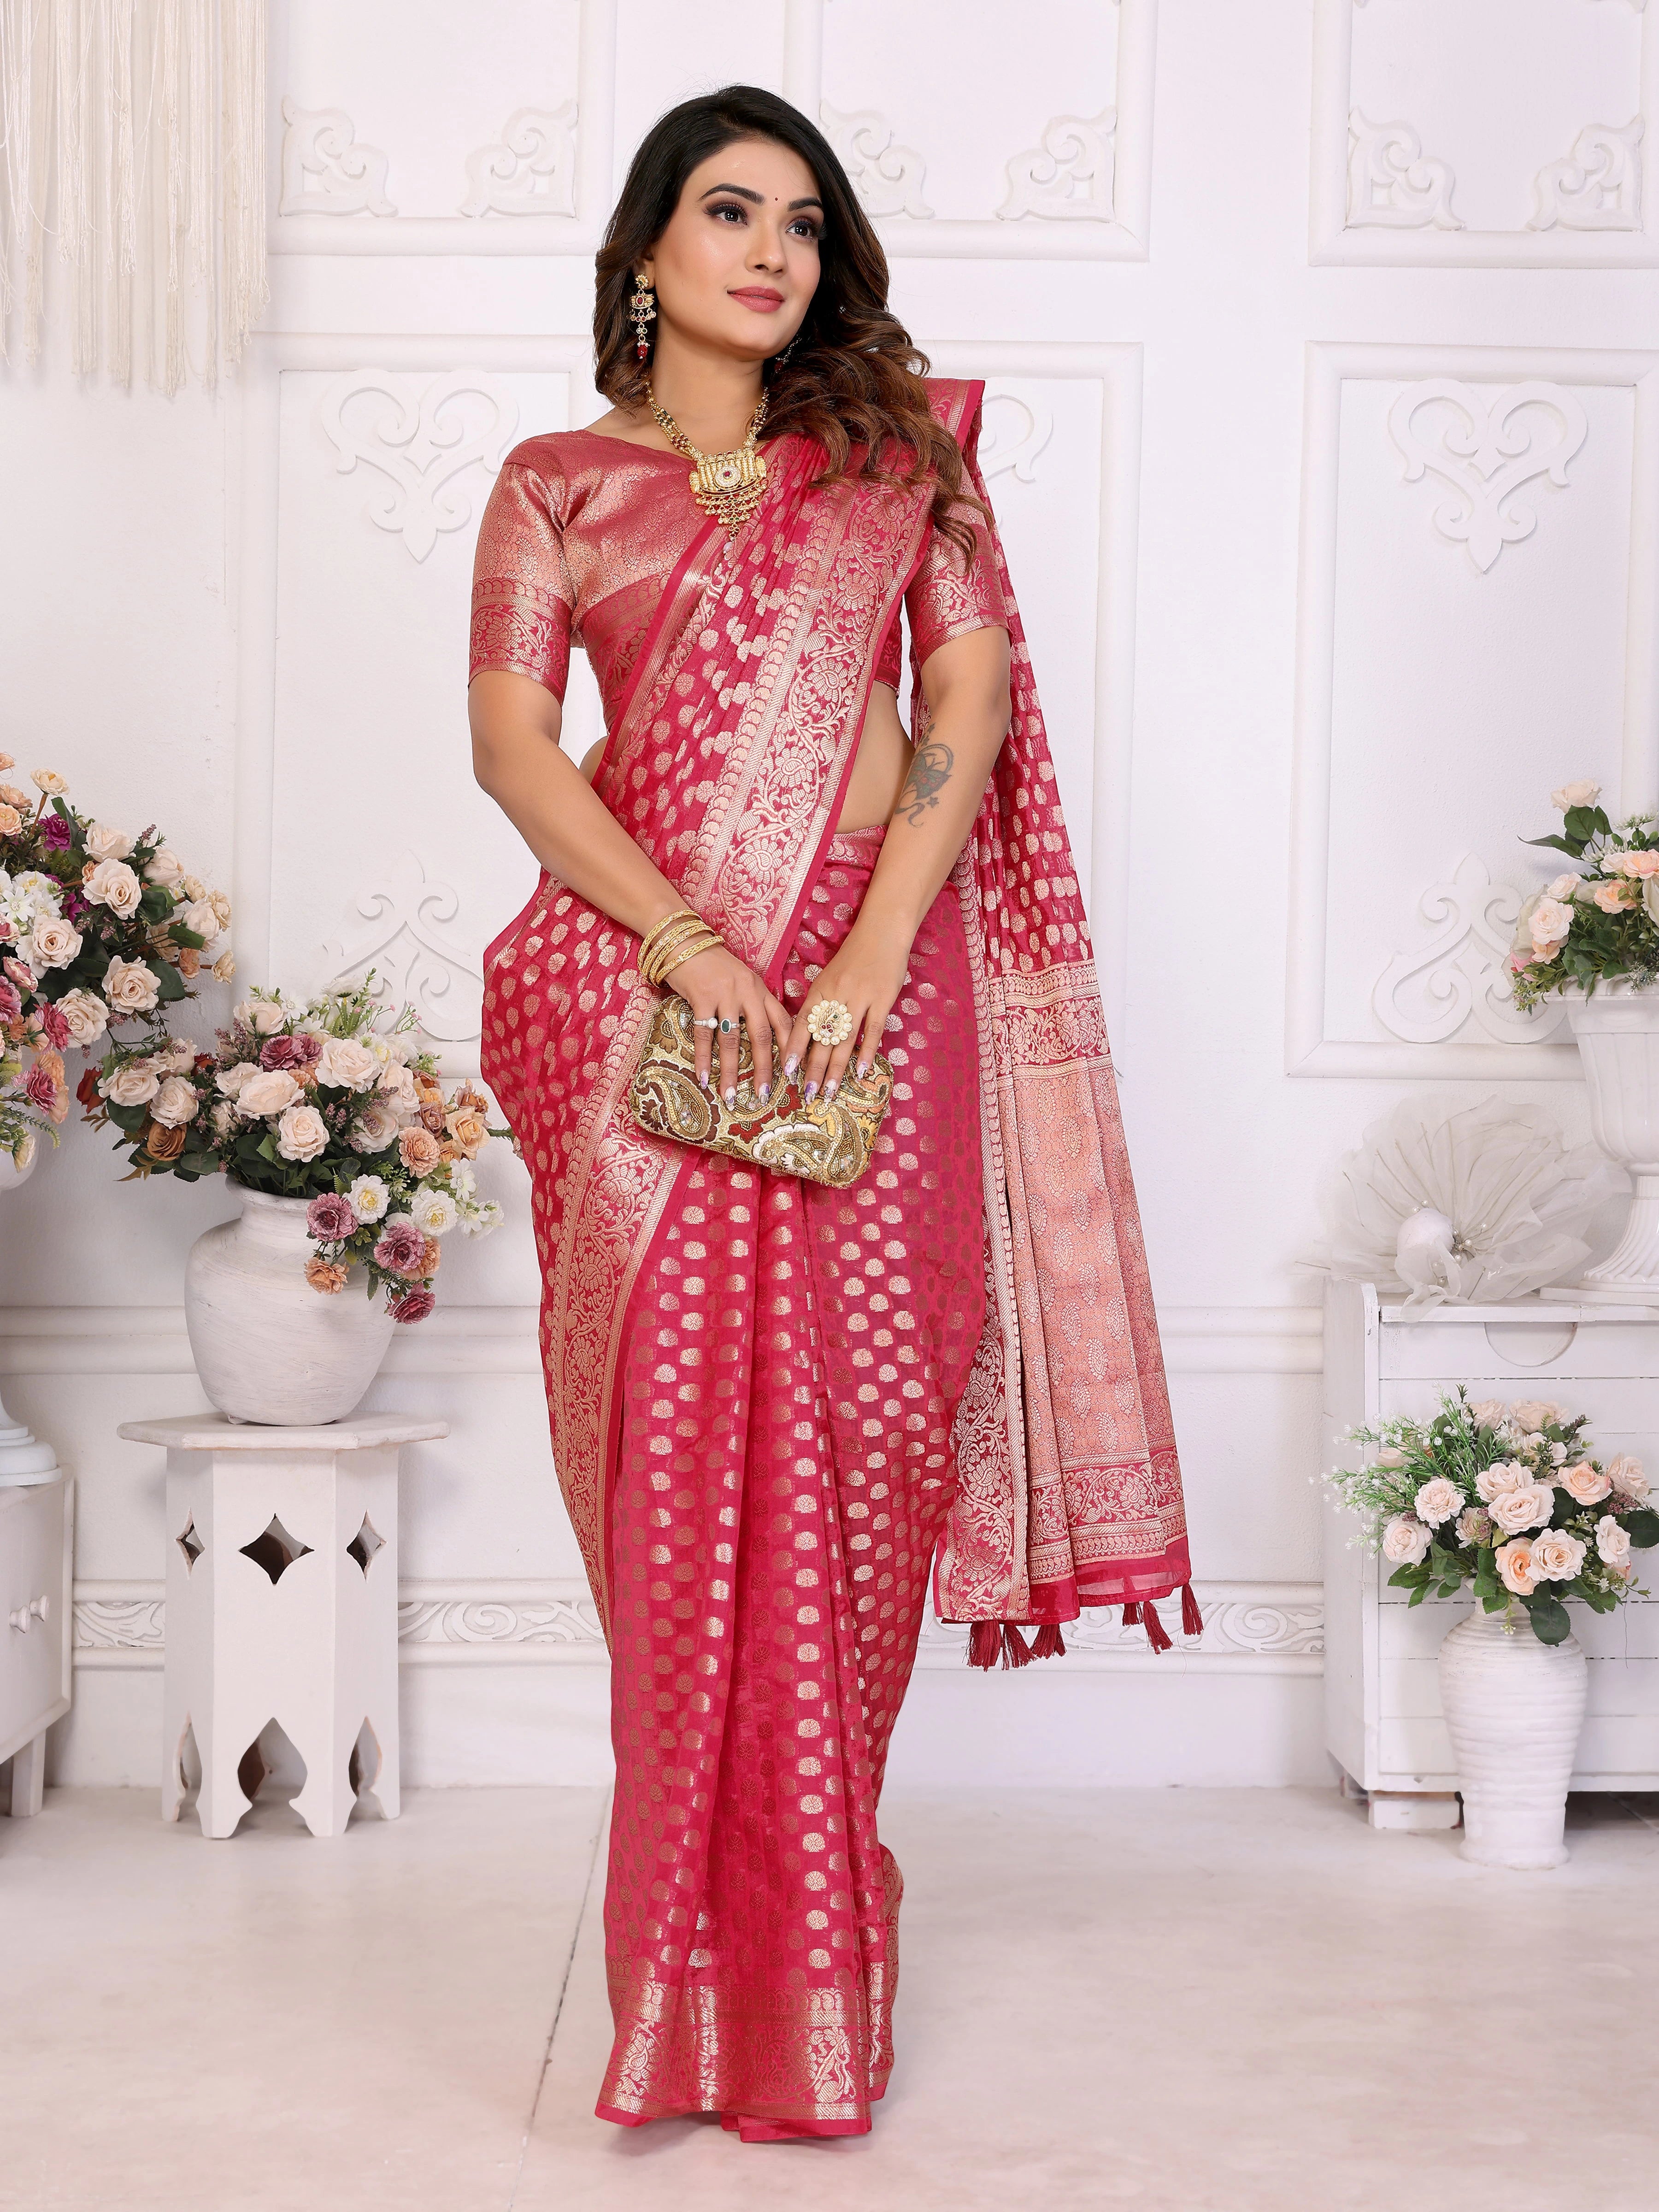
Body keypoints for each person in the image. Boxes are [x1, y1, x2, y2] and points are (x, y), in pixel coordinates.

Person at [467, 84, 1193, 2144]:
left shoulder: (899, 464)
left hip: (881, 1002)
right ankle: (686, 2002)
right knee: (679, 1478)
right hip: (649, 1013)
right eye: (729, 212)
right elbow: (516, 747)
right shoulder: (554, 485)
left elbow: (965, 701)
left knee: (871, 1442)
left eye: (803, 222)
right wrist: (691, 942)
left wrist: (869, 955)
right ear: (646, 251)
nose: (772, 252)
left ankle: (817, 1961)